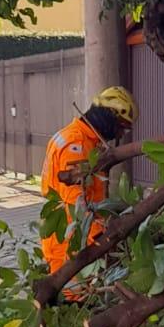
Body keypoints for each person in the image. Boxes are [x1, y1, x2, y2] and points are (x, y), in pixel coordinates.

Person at [40, 86, 137, 277]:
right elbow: (77, 202)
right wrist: (102, 236)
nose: (119, 136)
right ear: (108, 117)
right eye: (121, 128)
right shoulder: (74, 143)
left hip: (79, 241)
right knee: (73, 301)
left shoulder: (87, 140)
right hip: (70, 244)